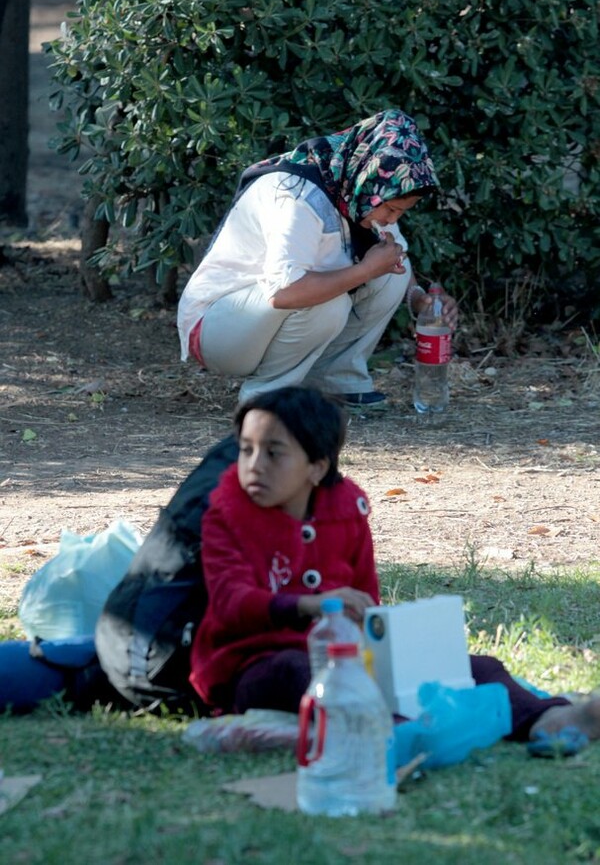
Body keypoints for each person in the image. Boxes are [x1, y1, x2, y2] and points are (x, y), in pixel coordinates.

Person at [190, 385, 600, 748]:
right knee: (298, 672)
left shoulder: (347, 510)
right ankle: (397, 731)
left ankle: (551, 719)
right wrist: (309, 605)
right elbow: (230, 602)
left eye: (273, 453)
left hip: (345, 654)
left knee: (475, 667)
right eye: (246, 449)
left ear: (316, 466)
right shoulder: (227, 515)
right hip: (254, 664)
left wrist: (393, 646)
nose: (254, 465)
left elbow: (367, 595)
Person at [177, 109, 458, 406]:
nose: (391, 220)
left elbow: (394, 258)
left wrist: (420, 301)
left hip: (258, 320)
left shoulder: (357, 188)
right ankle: (267, 399)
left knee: (387, 270)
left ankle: (336, 381)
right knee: (330, 300)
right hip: (216, 331)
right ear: (370, 180)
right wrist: (364, 271)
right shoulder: (296, 195)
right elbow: (284, 292)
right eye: (391, 210)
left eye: (400, 212)